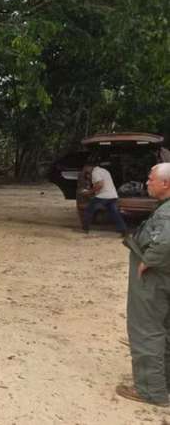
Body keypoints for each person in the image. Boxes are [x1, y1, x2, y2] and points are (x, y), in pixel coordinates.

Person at [116, 163, 170, 406]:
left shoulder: (167, 212)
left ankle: (150, 390)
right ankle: (161, 382)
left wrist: (149, 260)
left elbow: (165, 242)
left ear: (165, 184)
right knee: (163, 328)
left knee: (146, 329)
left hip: (155, 280)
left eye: (150, 180)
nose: (146, 183)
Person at [82, 163, 128, 237]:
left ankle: (85, 228)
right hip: (113, 195)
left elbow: (100, 184)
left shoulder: (95, 172)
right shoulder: (104, 170)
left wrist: (89, 192)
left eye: (85, 169)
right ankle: (123, 230)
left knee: (89, 209)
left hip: (104, 195)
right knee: (114, 213)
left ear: (88, 167)